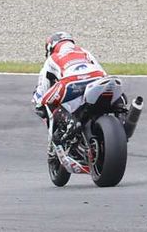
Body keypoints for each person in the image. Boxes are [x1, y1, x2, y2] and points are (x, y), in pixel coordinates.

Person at [35, 32, 107, 164]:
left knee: (46, 101)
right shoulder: (84, 51)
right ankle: (123, 114)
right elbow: (103, 72)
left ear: (51, 47)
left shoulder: (52, 58)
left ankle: (70, 124)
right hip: (96, 78)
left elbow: (43, 87)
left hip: (71, 82)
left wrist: (38, 103)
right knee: (112, 93)